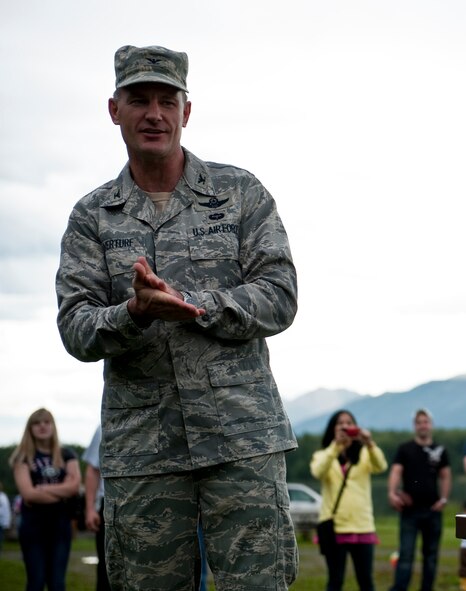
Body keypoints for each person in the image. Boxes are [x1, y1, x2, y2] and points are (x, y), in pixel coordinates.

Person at [55, 45, 298, 591]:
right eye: (138, 99)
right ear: (114, 109)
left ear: (187, 111)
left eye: (168, 100)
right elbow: (75, 326)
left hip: (241, 441)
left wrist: (198, 305)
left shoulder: (240, 194)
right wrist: (133, 312)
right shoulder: (91, 217)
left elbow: (280, 296)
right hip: (144, 452)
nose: (154, 114)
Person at [310, 410, 388, 591]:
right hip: (334, 527)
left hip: (362, 525)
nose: (345, 426)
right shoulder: (323, 455)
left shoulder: (365, 454)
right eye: (340, 423)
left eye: (349, 422)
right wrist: (335, 447)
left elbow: (381, 466)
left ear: (356, 427)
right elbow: (317, 472)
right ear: (333, 428)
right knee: (335, 581)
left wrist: (369, 443)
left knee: (366, 581)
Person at [9, 408, 82, 591]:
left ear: (53, 426)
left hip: (60, 526)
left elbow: (75, 487)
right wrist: (62, 491)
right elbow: (28, 494)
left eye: (46, 422)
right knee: (36, 581)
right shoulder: (22, 457)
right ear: (30, 428)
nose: (42, 426)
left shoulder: (67, 454)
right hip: (33, 527)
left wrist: (44, 488)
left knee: (57, 583)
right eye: (37, 422)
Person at [388, 408, 452, 591]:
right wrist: (392, 493)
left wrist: (444, 499)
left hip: (433, 510)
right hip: (409, 511)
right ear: (414, 426)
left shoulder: (440, 450)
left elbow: (446, 475)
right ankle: (400, 588)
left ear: (431, 425)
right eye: (419, 422)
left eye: (426, 422)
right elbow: (395, 472)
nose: (423, 425)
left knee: (431, 556)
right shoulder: (405, 449)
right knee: (406, 554)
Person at [83, 426, 110, 591]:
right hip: (109, 504)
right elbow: (93, 470)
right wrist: (90, 509)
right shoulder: (105, 425)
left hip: (151, 503)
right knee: (107, 566)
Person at [0, 482, 11, 553]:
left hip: (1, 520)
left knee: (0, 534)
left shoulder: (3, 497)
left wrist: (6, 521)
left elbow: (6, 509)